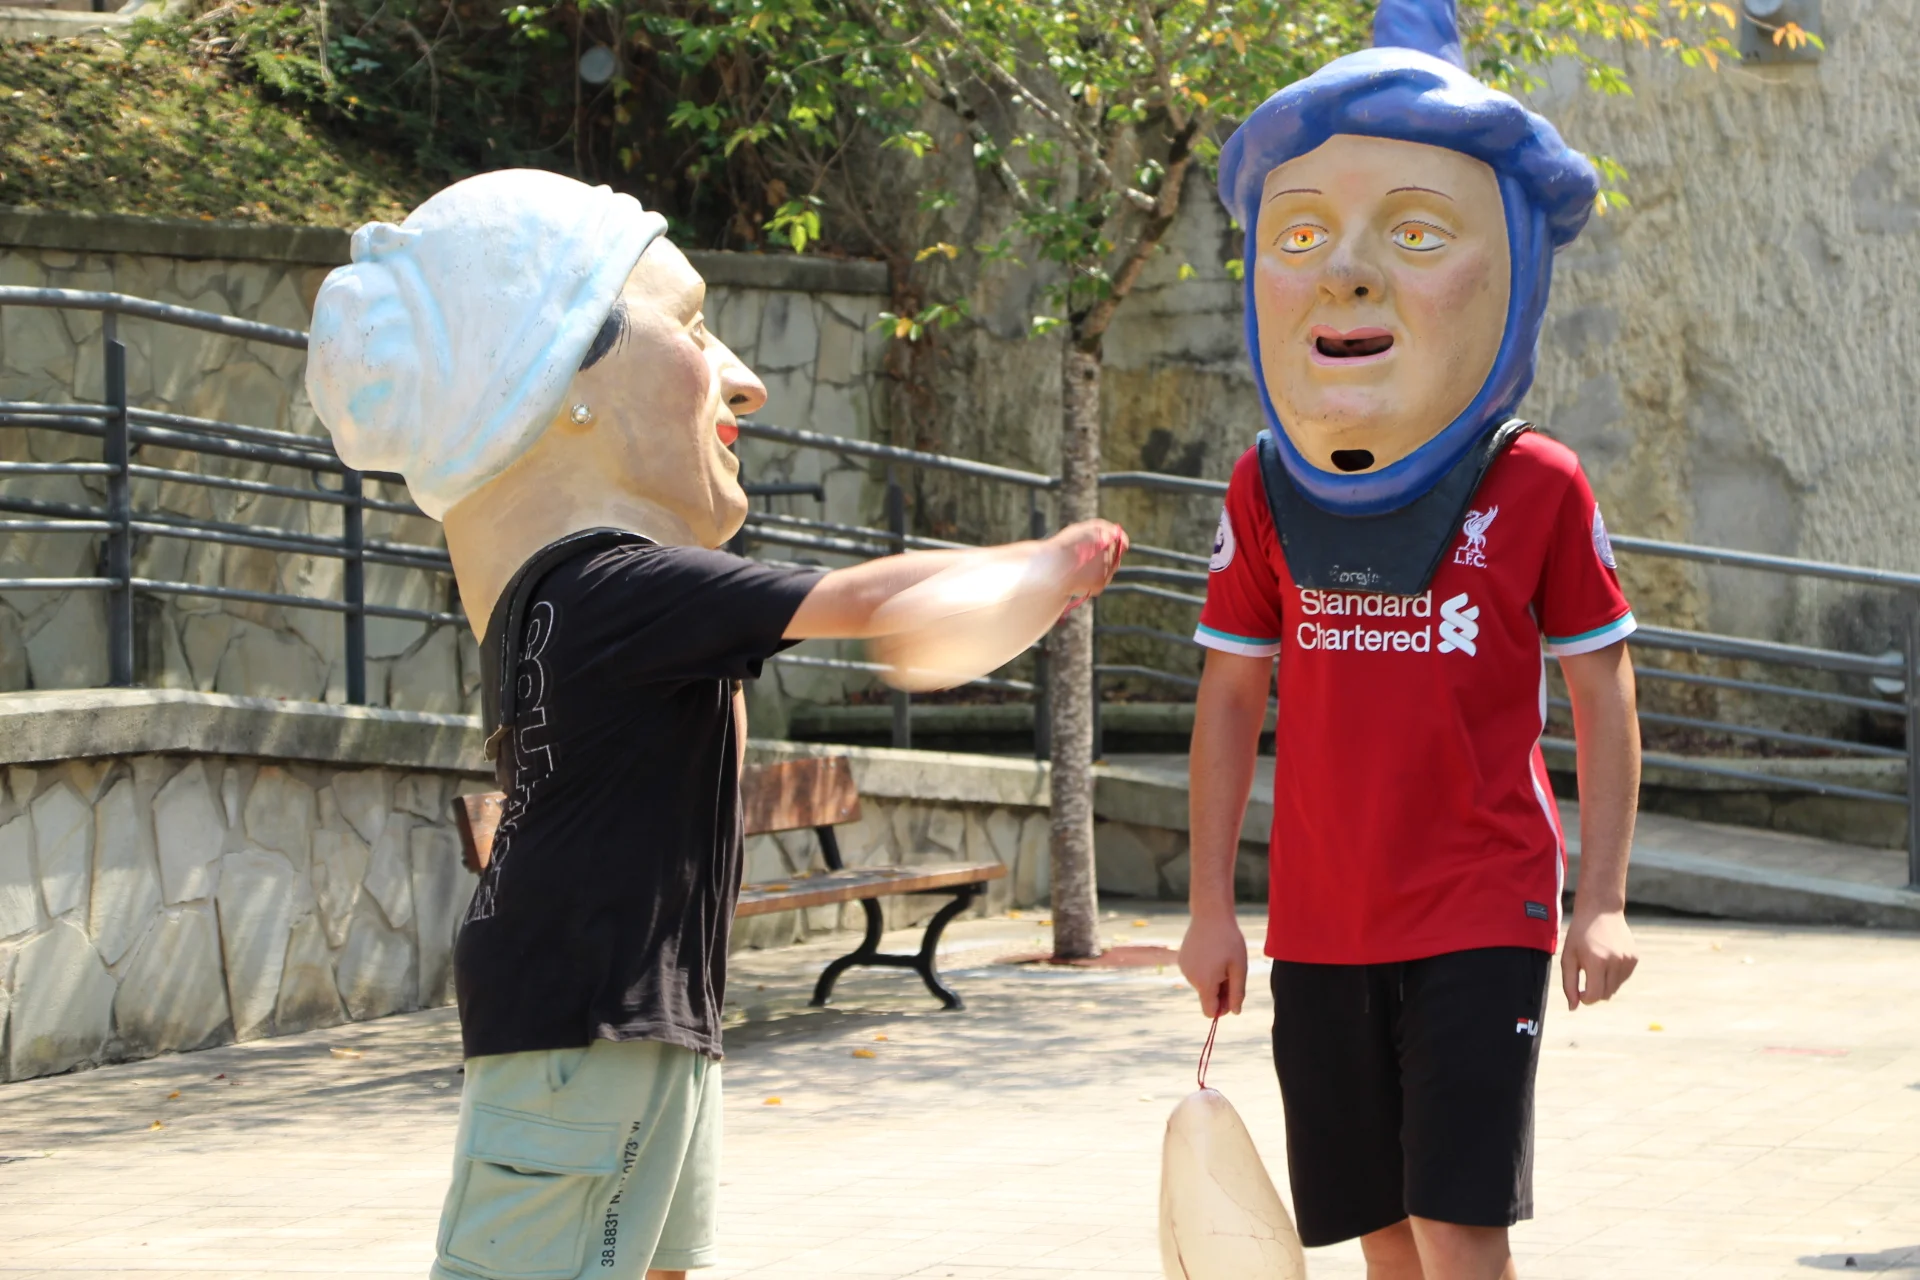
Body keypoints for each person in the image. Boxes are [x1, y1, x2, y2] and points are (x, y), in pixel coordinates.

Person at [305, 169, 1125, 1280]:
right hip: (587, 1017)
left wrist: (1012, 596)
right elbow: (871, 604)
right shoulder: (613, 586)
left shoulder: (564, 599)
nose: (746, 381)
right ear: (567, 381)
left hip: (633, 1012)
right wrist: (1046, 561)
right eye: (693, 325)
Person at [1176, 3, 1642, 1277]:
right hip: (1319, 918)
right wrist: (1211, 910)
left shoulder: (1538, 481)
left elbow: (1602, 690)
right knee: (1376, 1229)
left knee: (1454, 1220)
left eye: (1418, 230)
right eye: (1304, 235)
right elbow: (1229, 699)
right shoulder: (1263, 488)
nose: (1348, 274)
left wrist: (1600, 900)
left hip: (1482, 903)